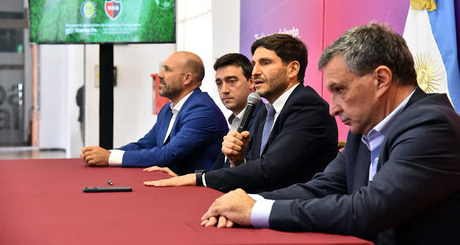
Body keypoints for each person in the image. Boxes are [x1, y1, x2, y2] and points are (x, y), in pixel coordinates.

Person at [200, 23, 460, 245]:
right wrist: (248, 199)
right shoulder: (366, 125)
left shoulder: (432, 125)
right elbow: (323, 187)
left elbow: (367, 210)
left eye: (340, 90)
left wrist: (257, 210)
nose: (333, 108)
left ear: (381, 80)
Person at [145, 34, 338, 193]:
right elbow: (253, 167)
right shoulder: (266, 110)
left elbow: (269, 170)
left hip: (293, 216)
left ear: (293, 69)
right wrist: (238, 161)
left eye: (265, 63)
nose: (255, 72)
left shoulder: (307, 106)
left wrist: (196, 178)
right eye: (254, 64)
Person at [80, 51, 228, 175]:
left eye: (168, 70)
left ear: (187, 78)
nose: (160, 75)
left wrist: (110, 157)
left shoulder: (202, 110)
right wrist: (105, 153)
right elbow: (145, 145)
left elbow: (168, 155)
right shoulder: (168, 110)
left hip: (203, 195)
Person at [143, 53, 264, 178]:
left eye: (231, 81)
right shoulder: (235, 122)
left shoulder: (264, 120)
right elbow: (221, 172)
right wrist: (182, 179)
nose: (224, 90)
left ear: (251, 82)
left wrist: (191, 180)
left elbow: (256, 174)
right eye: (219, 83)